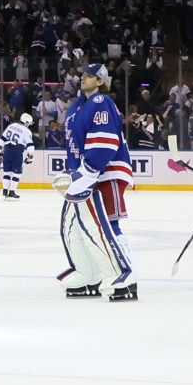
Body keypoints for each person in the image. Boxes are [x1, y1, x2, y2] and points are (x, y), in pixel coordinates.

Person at [61, 61, 137, 301]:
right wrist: (76, 173)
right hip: (87, 174)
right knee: (75, 226)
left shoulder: (101, 102)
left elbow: (105, 142)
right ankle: (90, 274)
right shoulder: (79, 105)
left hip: (107, 172)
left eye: (89, 75)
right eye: (82, 74)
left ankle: (126, 275)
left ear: (101, 81)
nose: (82, 77)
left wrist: (89, 170)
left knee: (108, 225)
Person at [0, 105, 31, 199]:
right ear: (26, 122)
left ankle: (5, 191)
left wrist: (1, 152)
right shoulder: (26, 131)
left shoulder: (11, 125)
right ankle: (12, 192)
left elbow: (2, 141)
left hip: (7, 150)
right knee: (17, 173)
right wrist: (30, 156)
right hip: (17, 152)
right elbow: (29, 146)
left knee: (7, 172)